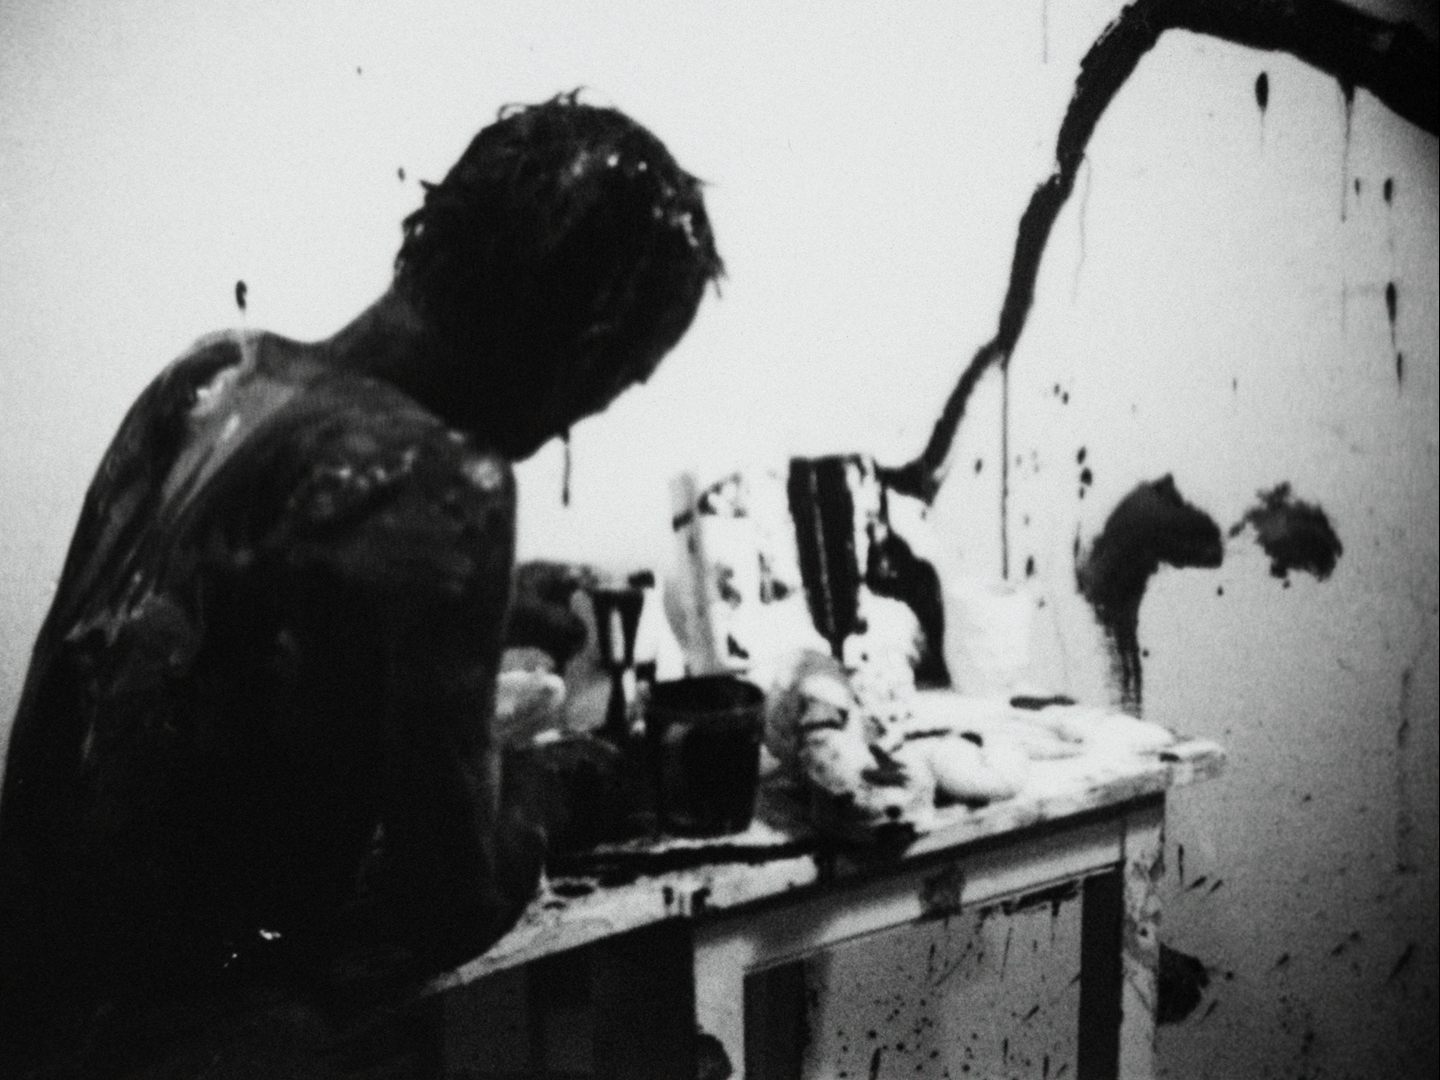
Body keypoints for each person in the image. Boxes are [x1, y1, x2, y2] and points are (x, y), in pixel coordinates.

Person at [0, 93, 722, 1079]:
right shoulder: (447, 483)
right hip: (203, 1042)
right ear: (583, 340)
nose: (586, 415)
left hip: (33, 1008)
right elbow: (449, 903)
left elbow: (223, 648)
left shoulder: (216, 376)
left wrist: (492, 603)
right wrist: (555, 787)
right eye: (624, 375)